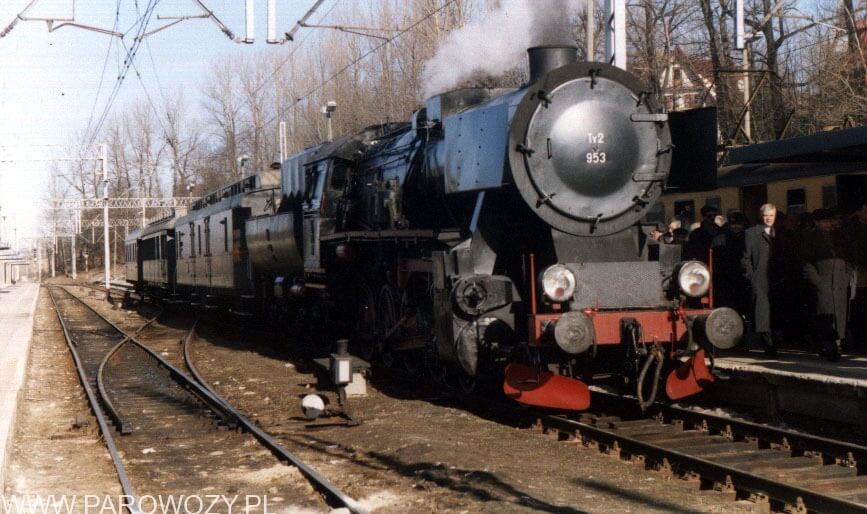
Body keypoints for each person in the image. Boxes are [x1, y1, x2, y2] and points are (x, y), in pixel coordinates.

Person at [801, 208, 853, 361]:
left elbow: (849, 259)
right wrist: (818, 281)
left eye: (830, 221)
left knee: (839, 315)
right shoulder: (810, 237)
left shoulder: (839, 236)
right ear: (817, 222)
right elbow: (807, 262)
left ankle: (836, 344)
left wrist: (846, 277)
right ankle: (829, 346)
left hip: (839, 281)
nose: (828, 224)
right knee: (825, 315)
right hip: (824, 280)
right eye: (825, 221)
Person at [742, 203, 785, 355]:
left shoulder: (780, 233)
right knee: (762, 314)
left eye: (771, 215)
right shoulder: (751, 233)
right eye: (766, 215)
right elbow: (745, 258)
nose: (769, 218)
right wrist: (751, 277)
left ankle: (775, 343)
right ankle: (769, 346)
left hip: (777, 279)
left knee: (775, 312)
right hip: (760, 279)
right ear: (761, 216)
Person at [711, 211, 749, 314]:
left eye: (739, 224)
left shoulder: (748, 238)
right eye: (733, 224)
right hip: (725, 279)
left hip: (742, 278)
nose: (736, 227)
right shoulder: (720, 239)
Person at [848, 198, 867, 353]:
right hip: (859, 273)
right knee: (859, 306)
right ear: (859, 212)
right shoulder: (852, 229)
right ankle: (859, 341)